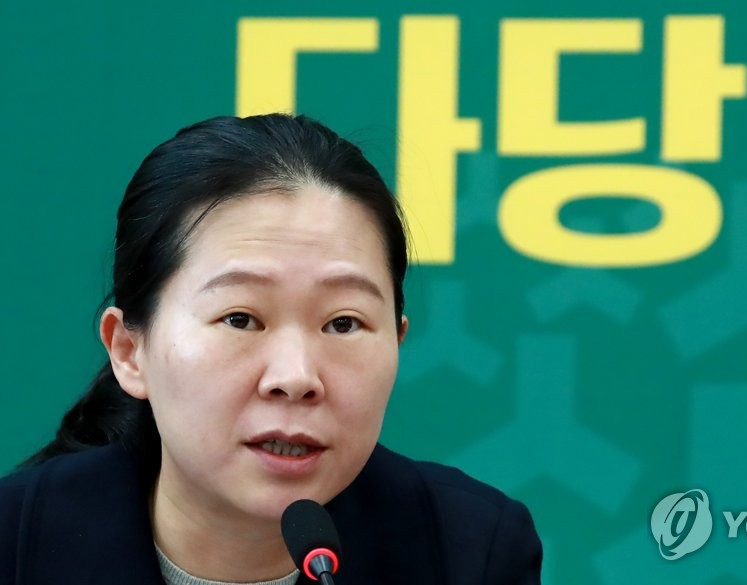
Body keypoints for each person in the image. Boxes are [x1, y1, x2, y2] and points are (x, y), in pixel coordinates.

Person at [0, 114, 543, 584]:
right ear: (128, 350)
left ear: (397, 342)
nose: (296, 376)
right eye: (240, 319)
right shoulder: (14, 545)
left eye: (344, 323)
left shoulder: (471, 551)